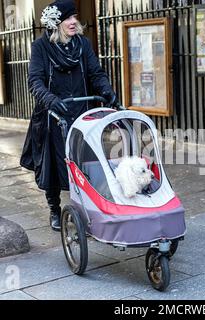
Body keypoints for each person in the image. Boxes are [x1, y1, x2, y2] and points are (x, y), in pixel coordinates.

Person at [20, 0, 120, 231]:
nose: (74, 21)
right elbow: (34, 81)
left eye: (74, 17)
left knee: (87, 162)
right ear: (56, 23)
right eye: (68, 18)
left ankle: (89, 205)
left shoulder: (82, 44)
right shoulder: (41, 47)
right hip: (53, 114)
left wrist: (106, 90)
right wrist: (50, 100)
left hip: (82, 113)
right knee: (54, 166)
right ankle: (55, 208)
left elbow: (96, 73)